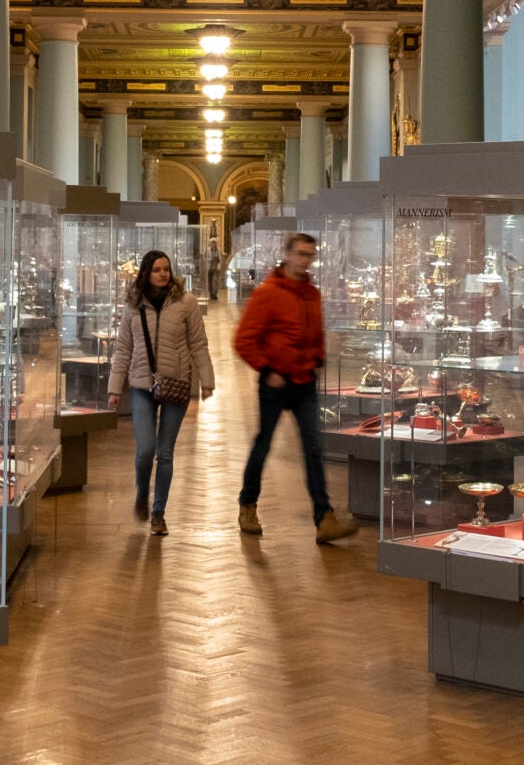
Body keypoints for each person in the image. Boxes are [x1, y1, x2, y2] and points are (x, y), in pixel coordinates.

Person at [232, 232, 359, 543]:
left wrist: (317, 357)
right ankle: (247, 504)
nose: (305, 260)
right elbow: (243, 341)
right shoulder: (268, 293)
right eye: (300, 254)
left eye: (309, 255)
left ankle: (324, 518)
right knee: (263, 444)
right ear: (287, 254)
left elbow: (314, 334)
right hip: (275, 381)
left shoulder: (311, 294)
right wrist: (267, 368)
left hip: (304, 382)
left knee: (313, 448)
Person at [104, 249, 213, 536]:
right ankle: (142, 492)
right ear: (146, 273)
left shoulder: (186, 302)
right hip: (142, 385)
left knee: (165, 453)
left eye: (166, 269)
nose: (163, 274)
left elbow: (199, 343)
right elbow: (123, 348)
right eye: (157, 270)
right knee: (145, 451)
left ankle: (158, 512)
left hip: (176, 382)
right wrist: (115, 388)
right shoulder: (133, 305)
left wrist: (207, 381)